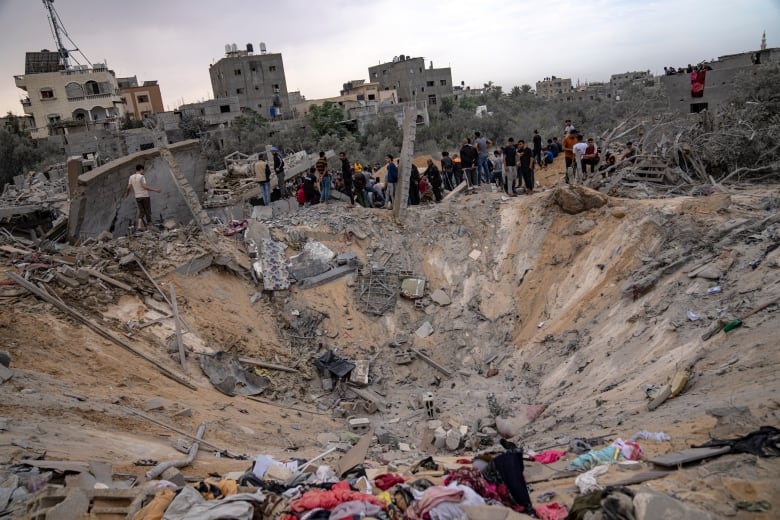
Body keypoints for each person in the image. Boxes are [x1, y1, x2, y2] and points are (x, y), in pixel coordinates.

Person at [124, 164, 160, 231]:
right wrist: (155, 190)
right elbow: (144, 187)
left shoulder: (131, 177)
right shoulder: (141, 177)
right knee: (148, 211)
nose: (143, 171)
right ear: (141, 169)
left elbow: (128, 187)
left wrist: (126, 194)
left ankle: (139, 226)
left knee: (141, 211)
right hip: (145, 196)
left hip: (137, 197)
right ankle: (149, 224)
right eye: (143, 170)